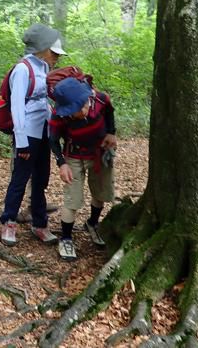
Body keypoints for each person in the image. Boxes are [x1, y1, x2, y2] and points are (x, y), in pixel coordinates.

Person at [0, 23, 66, 246]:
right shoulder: (22, 69)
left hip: (43, 132)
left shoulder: (43, 68)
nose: (56, 57)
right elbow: (17, 107)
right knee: (20, 179)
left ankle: (40, 224)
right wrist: (22, 143)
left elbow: (43, 100)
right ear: (42, 48)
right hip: (27, 134)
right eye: (54, 52)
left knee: (41, 180)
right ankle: (8, 222)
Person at [49, 77, 117, 261]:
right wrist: (62, 163)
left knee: (101, 192)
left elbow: (110, 112)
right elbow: (53, 140)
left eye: (82, 107)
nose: (81, 112)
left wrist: (112, 132)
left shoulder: (101, 99)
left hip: (100, 152)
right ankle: (66, 238)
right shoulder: (59, 115)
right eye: (75, 110)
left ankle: (93, 223)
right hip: (74, 156)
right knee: (72, 198)